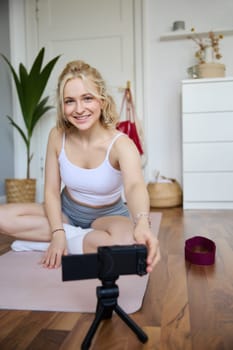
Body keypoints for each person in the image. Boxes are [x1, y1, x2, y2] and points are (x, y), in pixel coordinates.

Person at [0, 60, 160, 272]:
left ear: (102, 100)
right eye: (69, 101)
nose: (79, 109)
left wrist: (141, 221)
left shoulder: (121, 144)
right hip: (66, 212)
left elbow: (134, 187)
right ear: (62, 105)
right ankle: (68, 238)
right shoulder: (57, 136)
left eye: (87, 98)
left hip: (108, 217)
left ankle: (59, 240)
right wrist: (57, 230)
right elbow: (51, 190)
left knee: (124, 243)